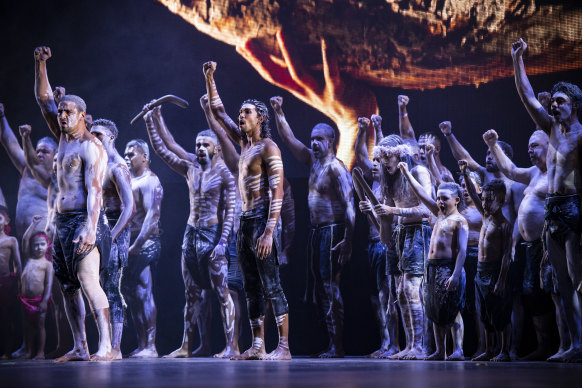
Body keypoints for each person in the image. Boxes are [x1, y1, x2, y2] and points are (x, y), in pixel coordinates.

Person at [204, 61, 290, 360]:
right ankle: (256, 345)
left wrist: (268, 231)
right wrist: (210, 77)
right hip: (244, 221)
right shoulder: (244, 145)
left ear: (261, 118)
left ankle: (284, 347)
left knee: (271, 284)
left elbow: (278, 189)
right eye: (240, 113)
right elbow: (218, 111)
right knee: (251, 285)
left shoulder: (268, 147)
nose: (240, 117)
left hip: (261, 220)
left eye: (247, 113)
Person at [34, 46, 112, 361]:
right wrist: (39, 64)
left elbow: (95, 191)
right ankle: (80, 345)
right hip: (62, 222)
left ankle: (105, 345)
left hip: (84, 219)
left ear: (82, 114)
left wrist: (90, 228)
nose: (62, 116)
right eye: (61, 111)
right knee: (67, 286)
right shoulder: (62, 138)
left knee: (88, 279)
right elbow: (43, 100)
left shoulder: (90, 147)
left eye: (68, 112)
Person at [142, 105, 237, 359]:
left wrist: (222, 242)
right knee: (192, 294)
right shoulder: (190, 168)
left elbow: (230, 210)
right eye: (198, 145)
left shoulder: (225, 174)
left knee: (221, 292)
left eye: (206, 145)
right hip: (191, 235)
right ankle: (187, 345)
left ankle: (231, 346)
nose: (201, 149)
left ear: (216, 148)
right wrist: (151, 119)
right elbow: (164, 149)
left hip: (212, 234)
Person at [512, 37, 582, 362]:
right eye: (552, 102)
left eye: (560, 101)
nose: (554, 106)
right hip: (552, 212)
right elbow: (527, 97)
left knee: (578, 279)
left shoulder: (580, 136)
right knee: (561, 285)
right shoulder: (551, 130)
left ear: (575, 105)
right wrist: (517, 60)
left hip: (572, 208)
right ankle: (573, 345)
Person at [270, 95, 354, 358]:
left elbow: (351, 207)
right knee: (320, 290)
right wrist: (278, 111)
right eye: (313, 139)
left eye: (320, 139)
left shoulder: (336, 169)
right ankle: (332, 343)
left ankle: (338, 346)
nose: (314, 143)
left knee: (329, 288)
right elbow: (288, 139)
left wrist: (348, 240)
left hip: (333, 232)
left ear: (331, 142)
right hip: (317, 233)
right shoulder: (312, 161)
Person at [359, 142, 432, 360]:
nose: (383, 164)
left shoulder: (418, 171)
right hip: (398, 237)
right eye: (380, 160)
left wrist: (392, 210)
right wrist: (373, 213)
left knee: (412, 291)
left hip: (418, 232)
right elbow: (385, 231)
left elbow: (427, 209)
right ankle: (410, 346)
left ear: (398, 155)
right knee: (399, 294)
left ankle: (420, 347)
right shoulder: (388, 179)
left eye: (386, 159)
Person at [399, 163, 468, 360]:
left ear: (456, 200)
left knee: (452, 309)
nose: (440, 202)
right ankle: (440, 350)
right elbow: (421, 194)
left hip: (448, 268)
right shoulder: (438, 214)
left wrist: (455, 275)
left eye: (444, 199)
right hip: (433, 268)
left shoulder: (459, 220)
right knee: (435, 310)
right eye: (438, 198)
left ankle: (458, 350)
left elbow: (462, 251)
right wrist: (406, 173)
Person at [90, 119, 135, 360]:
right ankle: (104, 345)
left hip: (116, 227)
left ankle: (115, 349)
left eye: (99, 134)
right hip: (102, 226)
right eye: (92, 134)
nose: (94, 138)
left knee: (112, 287)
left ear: (111, 138)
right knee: (96, 286)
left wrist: (112, 237)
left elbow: (130, 207)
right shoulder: (98, 164)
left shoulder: (117, 167)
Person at [354, 117, 399, 358]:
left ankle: (392, 344)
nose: (373, 164)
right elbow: (359, 153)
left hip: (385, 246)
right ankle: (386, 342)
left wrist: (379, 128)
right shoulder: (372, 182)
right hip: (371, 245)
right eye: (372, 161)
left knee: (387, 296)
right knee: (377, 298)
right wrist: (362, 131)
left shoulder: (389, 184)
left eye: (377, 161)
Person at [460, 160, 513, 362]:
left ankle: (504, 350)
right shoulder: (485, 217)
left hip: (495, 270)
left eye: (490, 200)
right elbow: (473, 195)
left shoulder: (504, 225)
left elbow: (507, 254)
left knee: (500, 312)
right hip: (480, 271)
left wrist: (501, 279)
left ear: (501, 200)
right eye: (484, 200)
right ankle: (489, 349)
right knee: (484, 312)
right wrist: (465, 174)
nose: (485, 203)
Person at [122, 139, 163, 358]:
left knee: (144, 292)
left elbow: (152, 216)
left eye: (131, 154)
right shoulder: (129, 180)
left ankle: (151, 346)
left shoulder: (150, 181)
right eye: (126, 155)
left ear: (144, 157)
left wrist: (137, 245)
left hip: (145, 243)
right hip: (130, 243)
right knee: (133, 296)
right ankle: (142, 344)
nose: (128, 158)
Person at [0, 103, 54, 240]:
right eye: (38, 151)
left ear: (55, 155)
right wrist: (2, 117)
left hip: (45, 241)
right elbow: (10, 143)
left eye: (45, 152)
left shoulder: (59, 178)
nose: (40, 154)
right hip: (22, 238)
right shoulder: (27, 168)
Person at [398, 95, 454, 183]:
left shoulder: (445, 175)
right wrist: (402, 109)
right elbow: (407, 135)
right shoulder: (416, 167)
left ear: (437, 149)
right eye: (419, 147)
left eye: (425, 147)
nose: (420, 151)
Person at [15, 232, 53, 359]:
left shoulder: (47, 264)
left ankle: (40, 352)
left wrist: (44, 300)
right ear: (30, 247)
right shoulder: (28, 259)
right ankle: (29, 351)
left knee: (40, 325)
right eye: (35, 245)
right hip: (26, 300)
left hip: (39, 299)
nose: (39, 248)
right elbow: (25, 239)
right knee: (28, 326)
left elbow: (48, 284)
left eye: (42, 244)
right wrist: (32, 226)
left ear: (48, 245)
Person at [0, 206, 21, 358]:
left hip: (6, 280)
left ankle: (8, 351)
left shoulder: (11, 240)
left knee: (7, 316)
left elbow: (18, 263)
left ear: (6, 221)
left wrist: (18, 282)